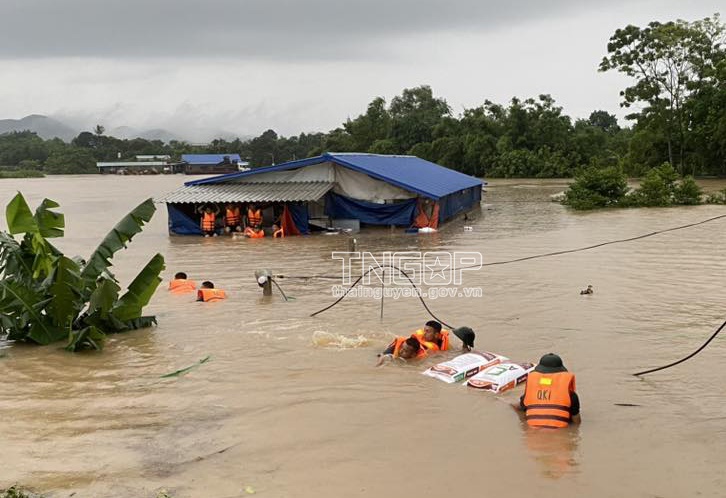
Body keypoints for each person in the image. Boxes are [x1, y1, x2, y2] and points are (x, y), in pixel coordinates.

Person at [517, 353, 581, 428]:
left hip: (532, 430)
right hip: (559, 431)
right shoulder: (571, 395)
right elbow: (577, 422)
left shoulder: (530, 391)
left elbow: (522, 409)